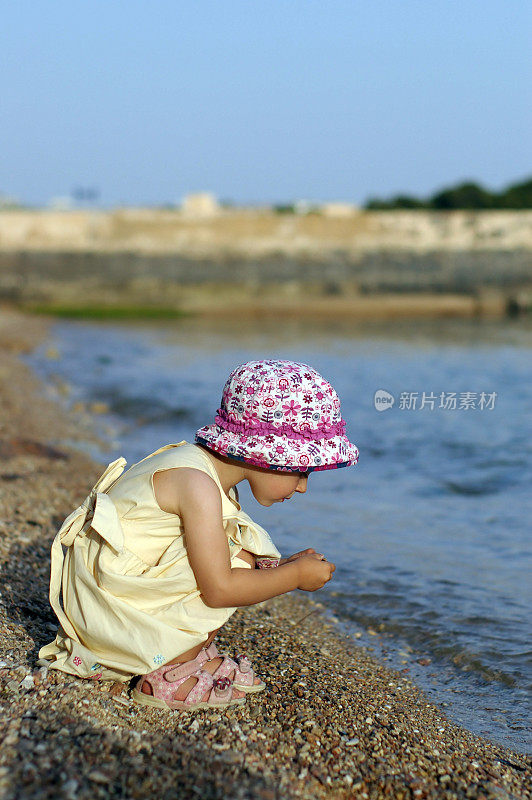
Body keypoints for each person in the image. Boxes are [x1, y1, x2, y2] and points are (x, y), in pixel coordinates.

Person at [39, 359, 359, 712]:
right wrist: (294, 577)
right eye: (301, 470)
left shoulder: (200, 466)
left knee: (242, 556)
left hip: (106, 590)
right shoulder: (198, 485)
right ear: (266, 454)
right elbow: (219, 589)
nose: (302, 487)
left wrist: (281, 564)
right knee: (236, 563)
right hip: (104, 612)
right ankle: (165, 674)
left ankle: (179, 650)